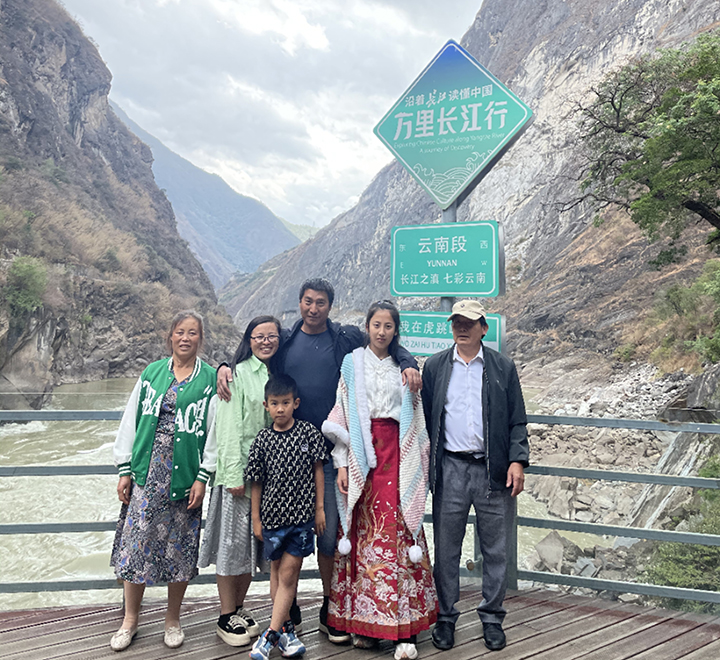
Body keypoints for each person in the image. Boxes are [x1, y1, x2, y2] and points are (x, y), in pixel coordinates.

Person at [217, 278, 421, 641]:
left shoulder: (344, 338)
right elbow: (253, 350)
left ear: (330, 305)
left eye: (321, 302)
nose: (314, 308)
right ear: (299, 303)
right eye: (308, 301)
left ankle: (332, 607)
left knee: (328, 538)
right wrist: (224, 365)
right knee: (284, 537)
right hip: (286, 455)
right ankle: (288, 610)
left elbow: (384, 342)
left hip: (329, 455)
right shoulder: (286, 340)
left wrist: (407, 361)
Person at [322, 301, 437, 660]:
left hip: (398, 456)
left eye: (388, 326)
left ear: (395, 330)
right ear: (367, 326)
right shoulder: (352, 363)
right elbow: (343, 414)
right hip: (362, 455)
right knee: (362, 537)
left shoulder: (406, 368)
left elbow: (415, 417)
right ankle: (366, 627)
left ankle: (405, 629)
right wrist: (342, 464)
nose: (382, 332)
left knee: (400, 534)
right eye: (376, 325)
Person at [421, 300, 529, 652]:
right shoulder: (435, 366)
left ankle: (492, 617)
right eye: (457, 322)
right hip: (450, 467)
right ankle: (445, 617)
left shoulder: (502, 366)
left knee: (496, 549)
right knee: (446, 549)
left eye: (469, 322)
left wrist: (517, 461)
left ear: (484, 327)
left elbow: (517, 419)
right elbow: (425, 421)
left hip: (492, 469)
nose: (462, 328)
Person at [110, 311, 218, 652]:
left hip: (185, 476)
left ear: (200, 338)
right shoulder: (152, 373)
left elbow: (214, 432)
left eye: (192, 333)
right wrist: (124, 468)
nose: (185, 338)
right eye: (180, 332)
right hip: (147, 471)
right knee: (136, 545)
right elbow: (131, 419)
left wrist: (203, 476)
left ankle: (173, 620)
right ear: (170, 335)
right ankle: (130, 620)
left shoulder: (210, 380)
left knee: (179, 548)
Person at [198, 315, 282, 647]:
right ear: (248, 340)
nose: (266, 342)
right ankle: (225, 614)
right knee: (231, 546)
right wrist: (234, 475)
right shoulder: (236, 374)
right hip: (238, 475)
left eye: (272, 336)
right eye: (259, 336)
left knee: (250, 547)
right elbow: (228, 427)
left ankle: (238, 607)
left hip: (268, 478)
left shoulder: (277, 373)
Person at [245, 375, 327, 660]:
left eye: (286, 403)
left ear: (296, 403)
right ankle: (287, 632)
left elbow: (319, 470)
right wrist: (256, 519)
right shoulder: (262, 440)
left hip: (301, 519)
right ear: (266, 405)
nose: (280, 409)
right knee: (277, 574)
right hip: (272, 519)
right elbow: (256, 482)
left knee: (289, 575)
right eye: (275, 404)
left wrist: (319, 509)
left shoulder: (308, 433)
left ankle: (269, 636)